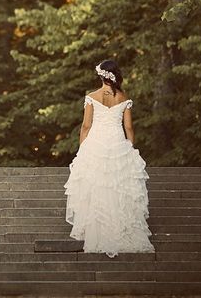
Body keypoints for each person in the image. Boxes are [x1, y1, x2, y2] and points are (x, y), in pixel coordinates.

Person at [64, 59, 155, 257]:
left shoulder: (92, 97)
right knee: (118, 186)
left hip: (96, 143)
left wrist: (82, 149)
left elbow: (86, 126)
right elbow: (129, 127)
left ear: (101, 76)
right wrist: (130, 149)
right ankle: (120, 228)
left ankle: (96, 230)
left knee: (96, 185)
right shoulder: (123, 98)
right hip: (117, 142)